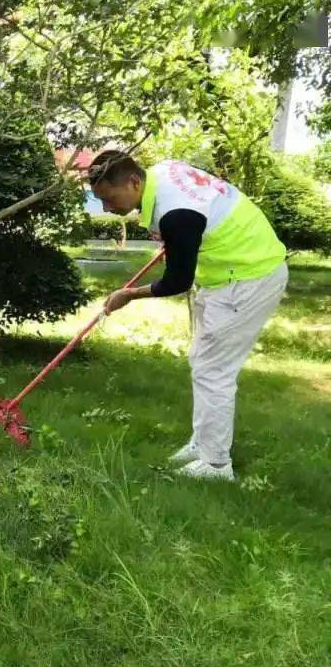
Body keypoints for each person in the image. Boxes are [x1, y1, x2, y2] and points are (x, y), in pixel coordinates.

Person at [89, 152, 288, 481]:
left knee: (214, 371)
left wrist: (128, 295)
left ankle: (216, 464)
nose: (107, 209)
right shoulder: (162, 171)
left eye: (109, 199)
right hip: (228, 272)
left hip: (248, 277)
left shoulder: (176, 214)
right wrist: (180, 241)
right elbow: (201, 214)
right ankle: (203, 443)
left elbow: (177, 281)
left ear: (134, 182)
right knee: (203, 361)